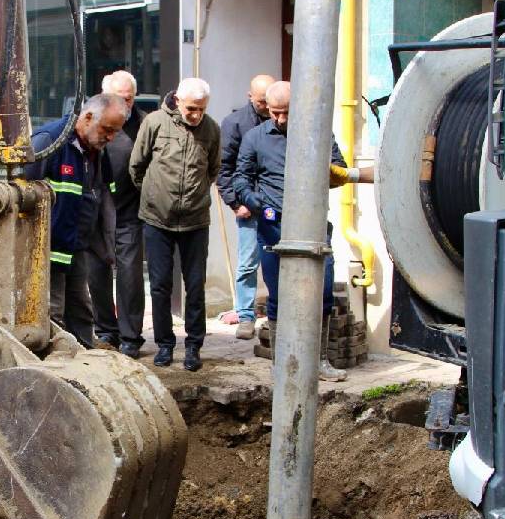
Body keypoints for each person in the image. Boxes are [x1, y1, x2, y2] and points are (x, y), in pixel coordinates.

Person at [231, 80, 347, 381]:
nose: (281, 120)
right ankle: (281, 362)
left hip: (313, 224)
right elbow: (240, 177)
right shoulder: (255, 138)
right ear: (267, 109)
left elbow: (340, 170)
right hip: (272, 222)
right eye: (275, 113)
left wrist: (324, 169)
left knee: (321, 293)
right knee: (278, 293)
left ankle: (320, 361)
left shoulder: (318, 134)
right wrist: (248, 198)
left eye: (287, 113)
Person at [129, 78, 222, 372]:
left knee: (195, 286)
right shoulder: (155, 123)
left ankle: (194, 346)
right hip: (157, 220)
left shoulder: (211, 129)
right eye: (192, 108)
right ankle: (165, 345)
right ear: (178, 100)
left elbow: (213, 170)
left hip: (195, 221)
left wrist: (192, 197)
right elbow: (137, 166)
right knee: (160, 286)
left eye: (202, 109)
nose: (196, 115)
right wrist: (157, 195)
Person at [26, 93, 126, 348]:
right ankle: (53, 371)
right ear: (88, 117)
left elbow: (100, 198)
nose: (111, 137)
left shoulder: (95, 151)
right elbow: (24, 196)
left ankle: (84, 362)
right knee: (52, 313)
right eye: (107, 129)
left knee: (81, 309)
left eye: (115, 131)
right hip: (47, 251)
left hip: (76, 247)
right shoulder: (49, 142)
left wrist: (104, 245)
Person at [92, 71, 149, 356]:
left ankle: (131, 336)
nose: (124, 104)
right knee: (97, 272)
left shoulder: (144, 123)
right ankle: (105, 330)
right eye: (118, 98)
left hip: (130, 209)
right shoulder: (92, 119)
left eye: (128, 98)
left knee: (129, 274)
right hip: (98, 210)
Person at [219, 74, 276, 340]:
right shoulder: (235, 124)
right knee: (247, 263)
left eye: (270, 101)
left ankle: (278, 314)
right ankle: (245, 315)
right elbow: (225, 168)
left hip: (276, 205)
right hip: (248, 205)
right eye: (262, 102)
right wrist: (234, 203)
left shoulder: (284, 122)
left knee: (278, 261)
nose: (267, 107)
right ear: (250, 96)